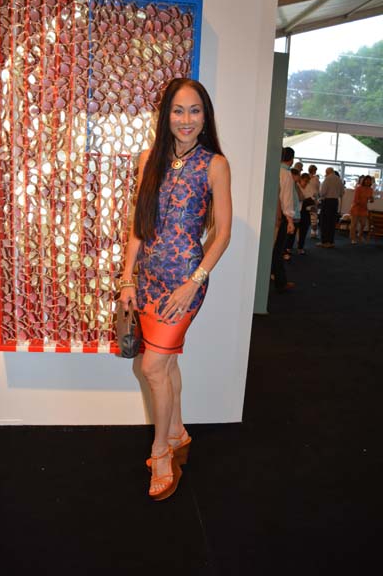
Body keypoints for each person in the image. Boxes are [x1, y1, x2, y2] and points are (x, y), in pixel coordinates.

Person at [119, 78, 232, 501]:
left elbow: (221, 234)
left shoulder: (215, 164)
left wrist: (194, 282)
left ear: (206, 117)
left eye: (195, 110)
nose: (186, 120)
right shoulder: (150, 158)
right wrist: (127, 277)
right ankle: (179, 432)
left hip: (185, 282)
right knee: (164, 368)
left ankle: (161, 452)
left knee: (151, 368)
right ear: (166, 116)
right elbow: (139, 224)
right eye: (178, 111)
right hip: (147, 280)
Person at [271, 147, 295, 291]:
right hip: (281, 216)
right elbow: (287, 199)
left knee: (275, 250)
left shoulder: (274, 171)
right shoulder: (286, 174)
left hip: (272, 214)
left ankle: (277, 278)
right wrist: (290, 220)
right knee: (278, 251)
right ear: (291, 159)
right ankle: (281, 282)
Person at [317, 167, 344, 248]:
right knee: (332, 222)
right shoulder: (339, 179)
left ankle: (324, 242)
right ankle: (331, 241)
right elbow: (342, 193)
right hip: (335, 202)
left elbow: (322, 193)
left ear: (327, 172)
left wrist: (320, 196)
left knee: (324, 222)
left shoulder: (327, 179)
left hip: (327, 202)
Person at [350, 175, 374, 243]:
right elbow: (356, 199)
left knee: (363, 224)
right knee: (354, 224)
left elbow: (370, 199)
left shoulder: (370, 189)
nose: (368, 181)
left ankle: (359, 235)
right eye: (366, 180)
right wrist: (362, 203)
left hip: (364, 209)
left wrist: (371, 200)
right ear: (364, 181)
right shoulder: (359, 188)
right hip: (356, 208)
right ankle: (353, 238)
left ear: (370, 182)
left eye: (369, 180)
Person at [308, 165, 320, 238]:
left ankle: (312, 232)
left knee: (307, 217)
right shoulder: (316, 179)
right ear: (314, 171)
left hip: (307, 199)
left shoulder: (306, 177)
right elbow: (318, 189)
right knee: (314, 217)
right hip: (314, 199)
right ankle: (313, 233)